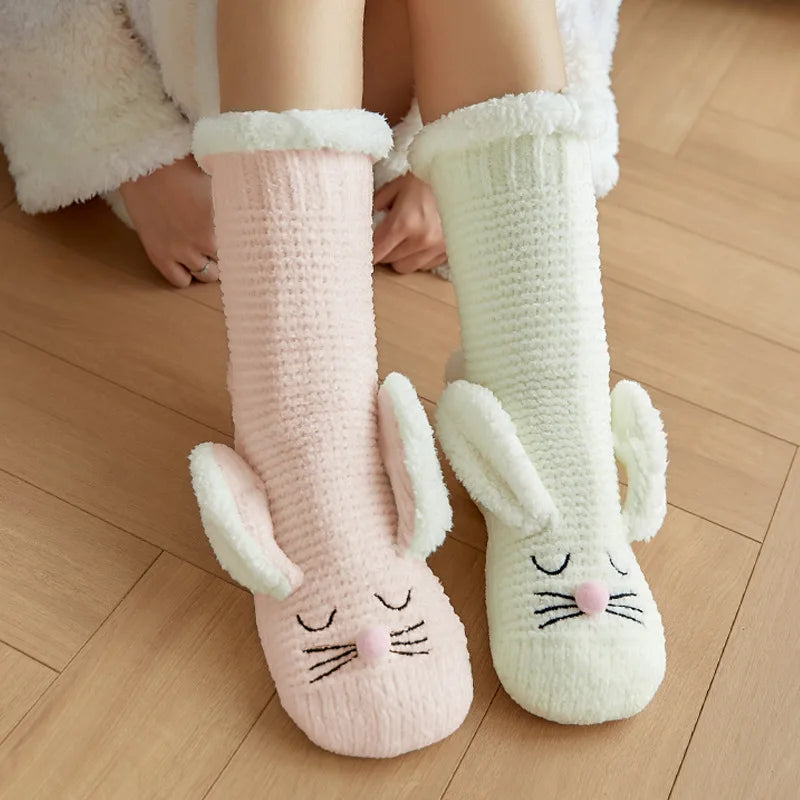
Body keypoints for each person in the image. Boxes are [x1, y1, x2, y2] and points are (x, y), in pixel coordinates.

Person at [3, 0, 667, 761]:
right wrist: (130, 151)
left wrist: (435, 166)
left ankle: (546, 417)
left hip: (418, 99)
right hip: (220, 123)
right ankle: (310, 442)